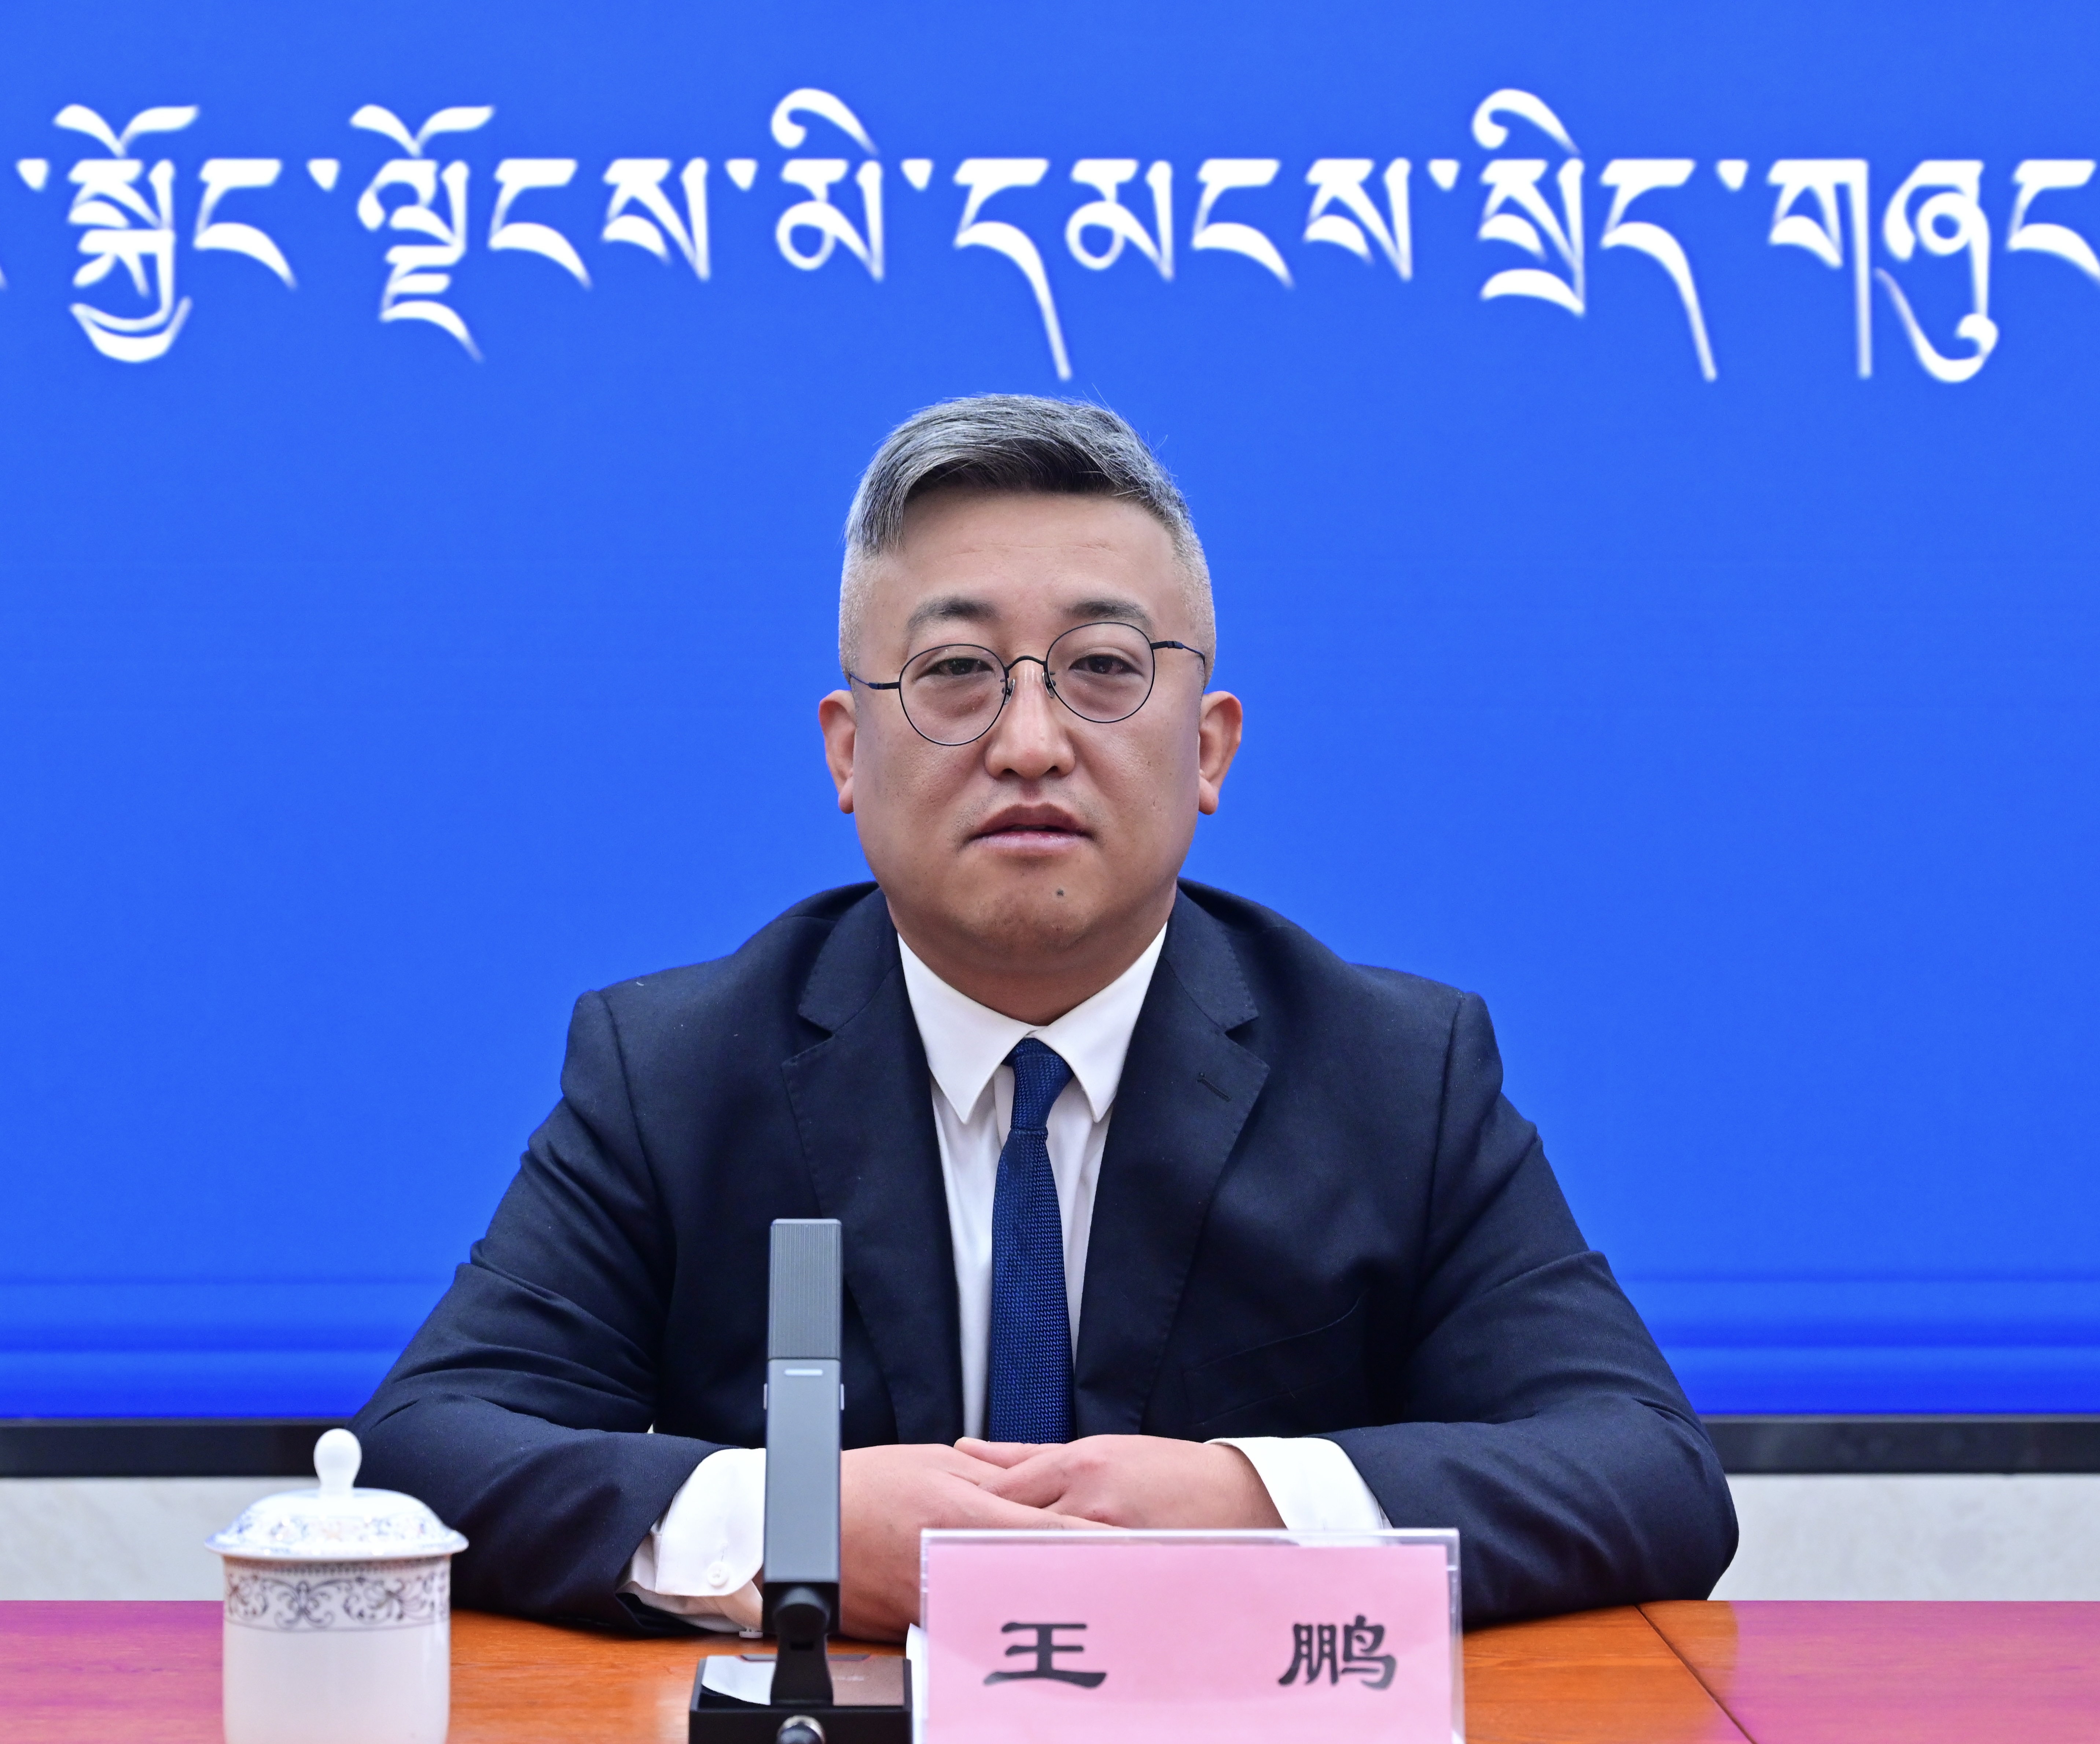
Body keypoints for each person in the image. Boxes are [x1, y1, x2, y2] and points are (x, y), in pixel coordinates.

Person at [352, 395, 1736, 1639]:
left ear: (1208, 748)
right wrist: (799, 1527)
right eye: (956, 671)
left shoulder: (1392, 1074)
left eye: (1103, 669)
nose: (1028, 742)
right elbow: (419, 1454)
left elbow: (1650, 1473)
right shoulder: (677, 1071)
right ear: (848, 750)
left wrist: (1251, 1507)